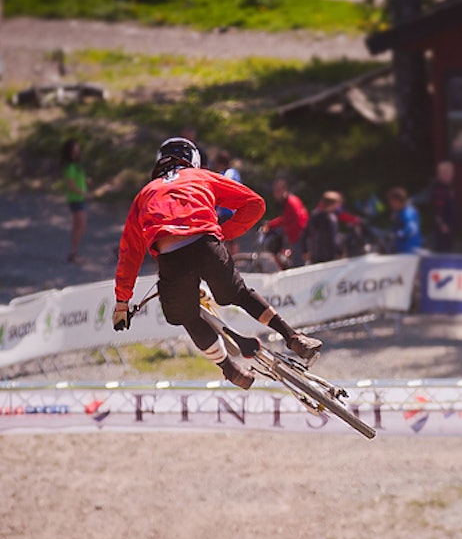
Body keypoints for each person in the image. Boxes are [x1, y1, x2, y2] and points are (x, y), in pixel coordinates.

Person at [113, 138, 321, 389]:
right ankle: (294, 337)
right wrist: (223, 232)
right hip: (207, 247)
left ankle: (230, 370)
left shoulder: (144, 195)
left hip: (171, 259)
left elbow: (130, 254)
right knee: (239, 294)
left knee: (186, 315)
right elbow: (254, 203)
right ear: (192, 160)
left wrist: (122, 302)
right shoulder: (200, 177)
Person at [261, 177, 309, 268]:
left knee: (297, 263)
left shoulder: (291, 202)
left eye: (278, 190)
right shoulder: (289, 200)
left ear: (284, 189)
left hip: (297, 235)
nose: (275, 193)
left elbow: (286, 218)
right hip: (293, 234)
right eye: (274, 191)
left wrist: (270, 224)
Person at [303, 191, 349, 265]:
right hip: (329, 257)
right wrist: (341, 252)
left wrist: (305, 250)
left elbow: (305, 234)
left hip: (315, 257)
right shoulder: (331, 219)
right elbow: (334, 239)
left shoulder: (314, 216)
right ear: (333, 204)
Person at [60, 139, 88, 263]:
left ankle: (74, 252)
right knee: (80, 224)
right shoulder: (70, 166)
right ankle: (74, 252)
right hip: (76, 199)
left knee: (79, 225)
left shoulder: (76, 165)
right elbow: (71, 184)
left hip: (79, 198)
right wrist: (83, 193)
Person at [429, 160, 456, 252]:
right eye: (445, 173)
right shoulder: (438, 189)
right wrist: (442, 225)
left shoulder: (448, 187)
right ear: (439, 174)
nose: (449, 175)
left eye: (450, 173)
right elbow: (437, 210)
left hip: (449, 226)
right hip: (442, 227)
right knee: (441, 251)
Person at [386, 187, 422, 253]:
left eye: (392, 201)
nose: (390, 204)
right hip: (401, 249)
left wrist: (397, 235)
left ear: (397, 201)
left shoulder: (408, 212)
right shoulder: (399, 212)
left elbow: (411, 228)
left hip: (409, 250)